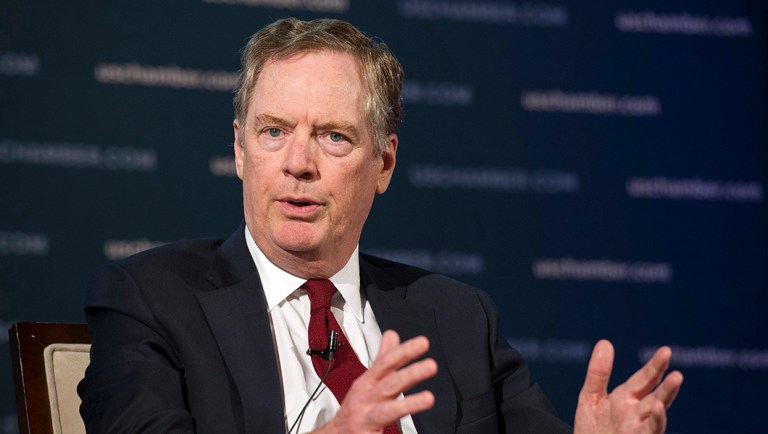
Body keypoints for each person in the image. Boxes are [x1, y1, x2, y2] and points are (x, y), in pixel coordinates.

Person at [77, 17, 682, 434]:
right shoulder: (151, 300)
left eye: (333, 137)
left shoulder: (458, 317)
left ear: (384, 162)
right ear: (239, 150)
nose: (298, 163)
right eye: (273, 131)